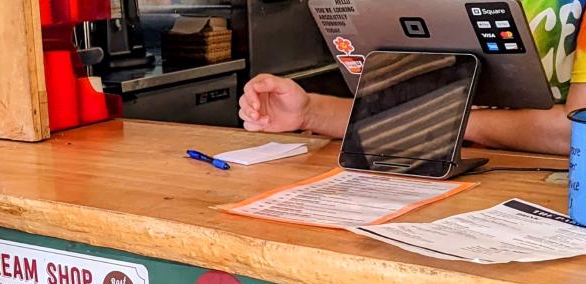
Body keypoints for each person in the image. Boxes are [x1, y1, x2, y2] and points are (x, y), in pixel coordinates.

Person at [239, 0, 586, 155]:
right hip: (446, 185)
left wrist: (453, 121)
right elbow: (410, 108)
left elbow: (572, 132)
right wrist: (309, 112)